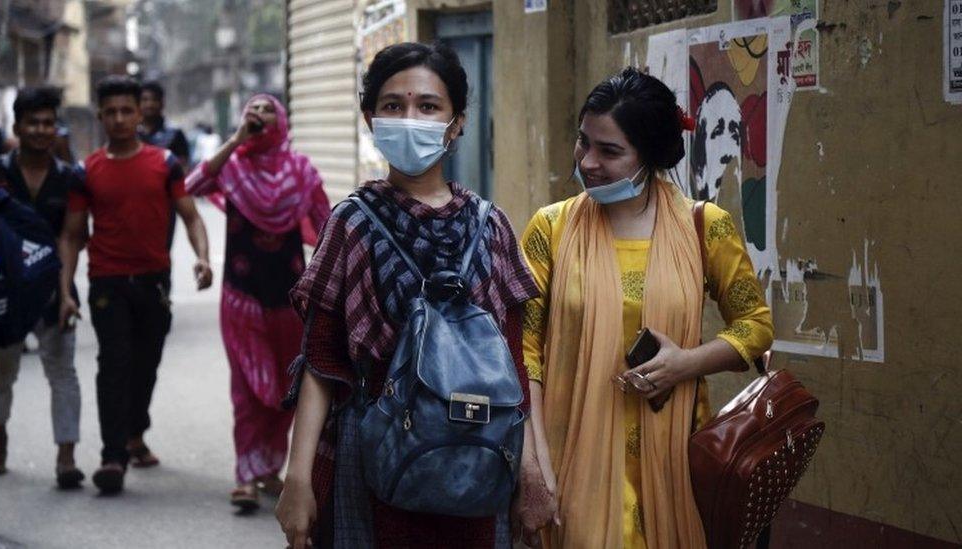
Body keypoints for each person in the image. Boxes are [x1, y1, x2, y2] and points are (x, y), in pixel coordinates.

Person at [276, 42, 550, 548]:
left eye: (428, 106)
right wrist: (297, 478)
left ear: (457, 121)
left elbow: (514, 364)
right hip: (374, 458)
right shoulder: (351, 224)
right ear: (369, 117)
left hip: (479, 453)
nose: (410, 119)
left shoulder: (490, 227)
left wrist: (532, 472)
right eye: (393, 106)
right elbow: (321, 363)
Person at [519, 68, 774, 548]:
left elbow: (756, 328)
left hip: (674, 466)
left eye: (610, 151)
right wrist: (535, 467)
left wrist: (685, 364)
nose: (588, 162)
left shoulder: (705, 228)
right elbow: (524, 354)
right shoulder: (549, 230)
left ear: (650, 156)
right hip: (572, 462)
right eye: (583, 142)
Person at [59, 75, 213, 494]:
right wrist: (66, 289)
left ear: (139, 113)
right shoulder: (85, 171)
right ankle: (113, 457)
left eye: (127, 110)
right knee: (113, 365)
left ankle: (134, 433)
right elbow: (73, 235)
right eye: (111, 112)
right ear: (101, 116)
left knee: (145, 366)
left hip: (153, 283)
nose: (120, 119)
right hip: (107, 283)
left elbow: (191, 215)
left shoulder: (165, 164)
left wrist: (202, 256)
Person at [185, 93, 331, 511]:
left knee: (289, 388)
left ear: (282, 120)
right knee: (247, 388)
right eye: (253, 110)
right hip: (241, 297)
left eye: (268, 110)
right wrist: (234, 141)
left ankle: (269, 468)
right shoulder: (233, 166)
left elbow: (326, 228)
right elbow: (192, 186)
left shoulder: (300, 171)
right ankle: (246, 475)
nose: (260, 116)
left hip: (290, 300)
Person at [0, 88, 85, 488]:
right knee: (2, 373)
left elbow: (70, 238)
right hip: (3, 296)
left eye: (49, 123)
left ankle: (66, 456)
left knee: (62, 372)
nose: (42, 130)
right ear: (17, 127)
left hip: (52, 290)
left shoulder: (71, 178)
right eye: (34, 123)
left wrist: (64, 295)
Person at [139, 80, 190, 249]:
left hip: (165, 204)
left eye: (153, 99)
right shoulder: (130, 134)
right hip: (134, 201)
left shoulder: (174, 134)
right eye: (144, 100)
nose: (149, 104)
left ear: (161, 103)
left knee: (161, 251)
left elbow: (183, 167)